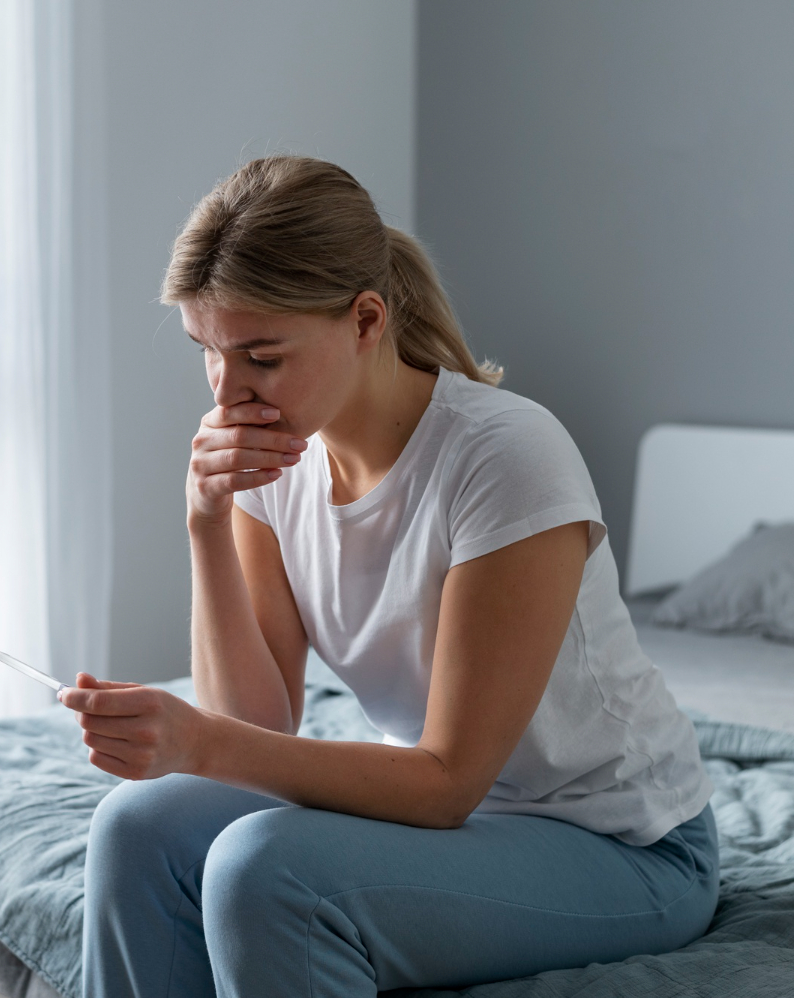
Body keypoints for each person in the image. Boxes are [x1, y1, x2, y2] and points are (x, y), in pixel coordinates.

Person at [59, 156, 718, 998]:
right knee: (136, 827)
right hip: (435, 821)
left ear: (366, 321)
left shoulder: (506, 457)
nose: (227, 395)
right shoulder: (278, 463)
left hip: (620, 845)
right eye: (207, 353)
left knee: (266, 873)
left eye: (260, 356)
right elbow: (257, 725)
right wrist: (206, 521)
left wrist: (193, 738)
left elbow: (446, 782)